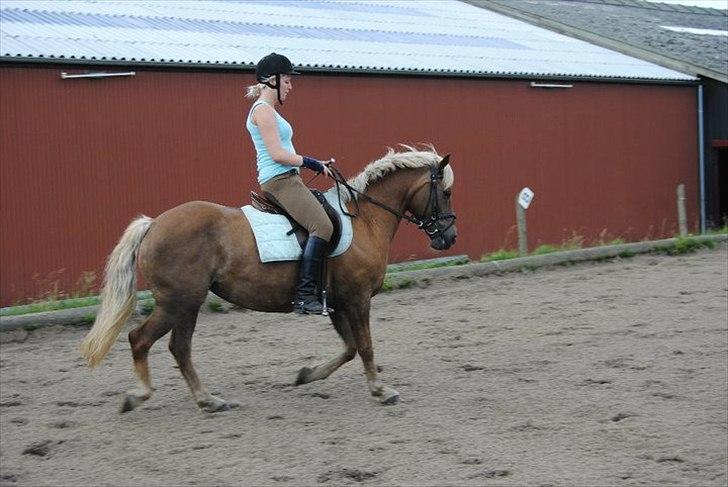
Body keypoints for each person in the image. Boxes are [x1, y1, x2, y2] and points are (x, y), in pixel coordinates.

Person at [245, 52, 334, 315]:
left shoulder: (268, 111)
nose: (290, 85)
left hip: (286, 177)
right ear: (272, 80)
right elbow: (277, 154)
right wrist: (313, 162)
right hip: (280, 180)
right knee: (323, 226)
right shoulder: (263, 111)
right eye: (286, 80)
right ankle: (305, 295)